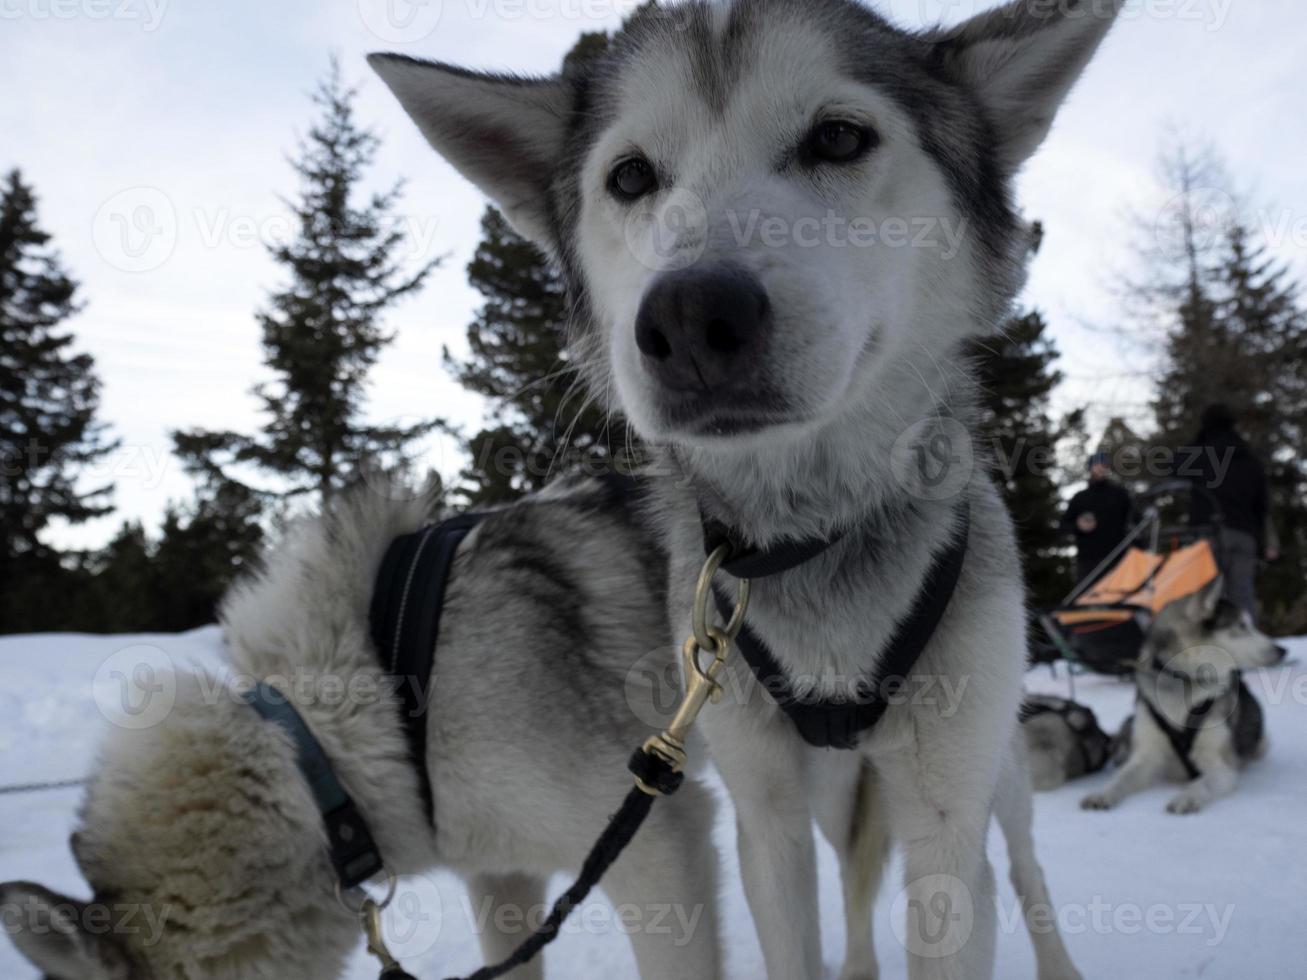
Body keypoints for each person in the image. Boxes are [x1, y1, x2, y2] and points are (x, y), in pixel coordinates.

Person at [1186, 404, 1272, 619]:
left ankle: (1203, 646)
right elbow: (1262, 507)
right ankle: (1247, 644)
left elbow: (1172, 466)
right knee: (1242, 594)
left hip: (1207, 533)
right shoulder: (1250, 460)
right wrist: (1261, 544)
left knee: (1204, 594)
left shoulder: (1201, 454)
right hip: (1243, 535)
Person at [1060, 452, 1136, 584]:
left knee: (1119, 598)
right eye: (1097, 465)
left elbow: (1135, 521)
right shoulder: (1080, 498)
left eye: (1104, 465)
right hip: (1088, 562)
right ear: (1090, 468)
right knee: (1087, 600)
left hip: (1118, 559)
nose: (1101, 468)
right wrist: (1079, 526)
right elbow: (1063, 527)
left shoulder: (1120, 495)